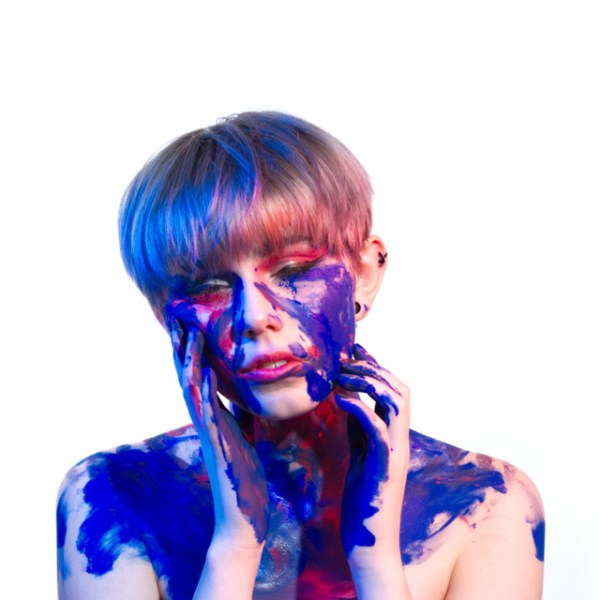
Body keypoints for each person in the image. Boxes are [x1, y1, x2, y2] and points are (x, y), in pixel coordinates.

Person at [56, 111, 544, 599]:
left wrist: (374, 558)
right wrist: (236, 543)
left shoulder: (485, 505)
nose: (253, 315)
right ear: (165, 315)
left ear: (364, 273)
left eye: (292, 270)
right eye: (209, 287)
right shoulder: (110, 499)